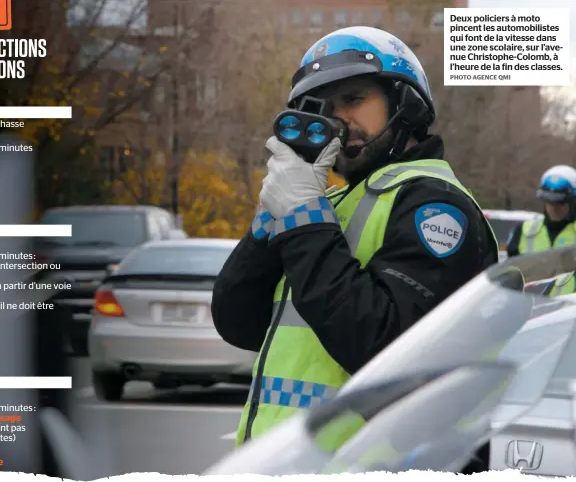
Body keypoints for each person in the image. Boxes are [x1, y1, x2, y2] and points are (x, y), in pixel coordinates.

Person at [211, 26, 500, 453]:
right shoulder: (329, 203)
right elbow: (238, 320)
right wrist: (270, 221)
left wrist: (303, 219)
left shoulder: (433, 204)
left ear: (406, 104)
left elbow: (384, 347)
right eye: (324, 106)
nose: (337, 119)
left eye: (353, 99)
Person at [506, 165, 576, 258]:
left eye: (560, 202)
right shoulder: (524, 230)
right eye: (549, 201)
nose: (554, 207)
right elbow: (510, 268)